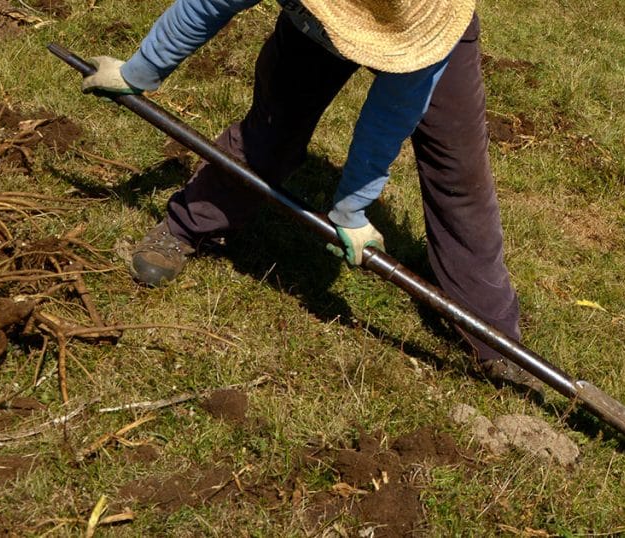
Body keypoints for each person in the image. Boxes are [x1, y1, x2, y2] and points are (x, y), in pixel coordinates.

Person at [81, 0, 541, 390]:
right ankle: (188, 226)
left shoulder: (428, 19)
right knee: (270, 135)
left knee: (459, 173)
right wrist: (140, 70)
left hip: (419, 36)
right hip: (313, 18)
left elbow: (388, 116)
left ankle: (494, 332)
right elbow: (209, 3)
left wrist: (351, 208)